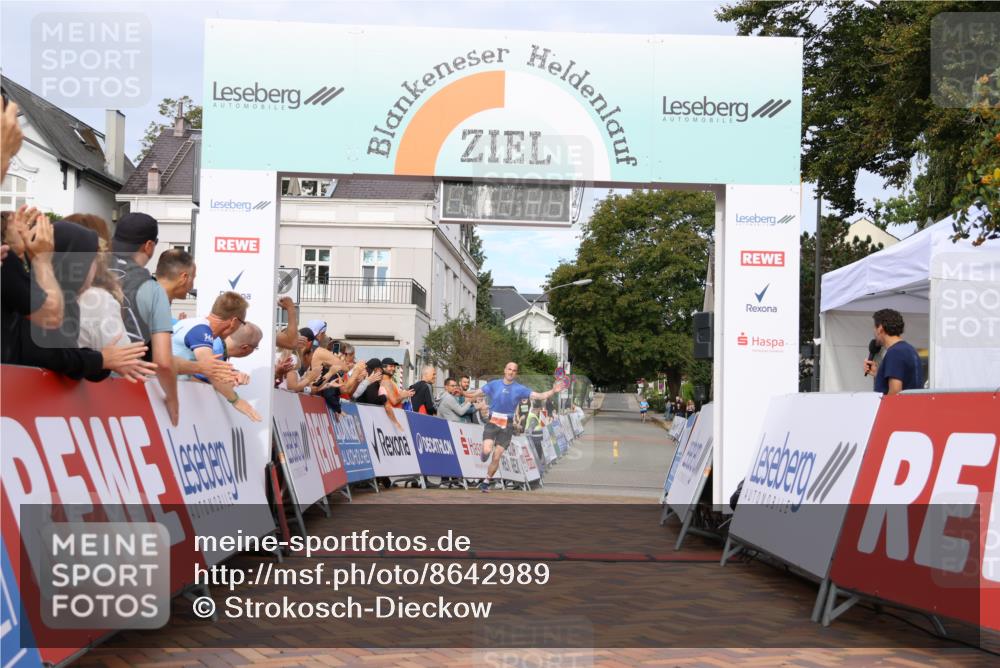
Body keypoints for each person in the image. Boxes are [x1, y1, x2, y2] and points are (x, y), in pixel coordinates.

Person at [4, 219, 155, 382]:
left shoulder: (68, 300)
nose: (96, 268)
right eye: (92, 261)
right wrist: (101, 359)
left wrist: (103, 362)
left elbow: (71, 361)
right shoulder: (36, 297)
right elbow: (49, 356)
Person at [111, 213, 182, 424]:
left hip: (76, 383)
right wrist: (172, 397)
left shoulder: (87, 271)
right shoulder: (153, 289)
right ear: (149, 245)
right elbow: (163, 361)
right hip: (127, 389)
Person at [466, 362, 565, 492]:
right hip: (493, 422)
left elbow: (540, 396)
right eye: (509, 369)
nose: (511, 372)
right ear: (505, 370)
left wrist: (553, 391)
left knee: (497, 456)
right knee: (487, 450)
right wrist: (462, 392)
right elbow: (475, 393)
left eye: (514, 370)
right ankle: (484, 454)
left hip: (507, 425)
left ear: (516, 373)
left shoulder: (520, 389)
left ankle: (486, 481)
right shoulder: (494, 384)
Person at [171, 291, 261, 421]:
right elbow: (211, 369)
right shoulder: (201, 330)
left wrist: (229, 374)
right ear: (234, 321)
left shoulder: (196, 325)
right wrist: (236, 401)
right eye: (242, 324)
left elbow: (209, 369)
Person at [864, 308, 922, 395]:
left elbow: (895, 391)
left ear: (880, 328)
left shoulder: (895, 352)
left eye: (874, 328)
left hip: (898, 404)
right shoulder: (909, 349)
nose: (874, 332)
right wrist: (878, 374)